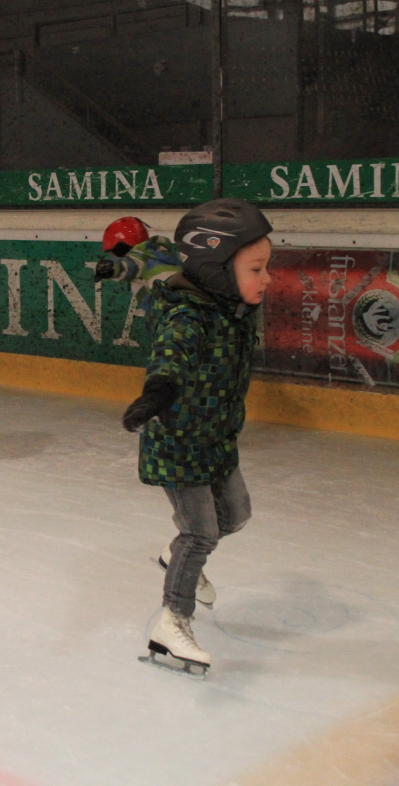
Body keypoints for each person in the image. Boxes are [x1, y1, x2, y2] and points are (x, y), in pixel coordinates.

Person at [122, 198, 274, 675]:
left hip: (216, 438)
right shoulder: (187, 314)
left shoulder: (232, 309)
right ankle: (172, 622)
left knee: (237, 514)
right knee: (200, 532)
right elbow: (172, 352)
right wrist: (158, 392)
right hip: (177, 440)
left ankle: (176, 556)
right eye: (256, 269)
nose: (267, 279)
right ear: (217, 270)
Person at [93, 216, 182, 312]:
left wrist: (112, 267)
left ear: (121, 248)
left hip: (173, 308)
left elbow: (131, 264)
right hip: (179, 304)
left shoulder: (143, 258)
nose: (113, 256)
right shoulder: (159, 254)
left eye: (113, 252)